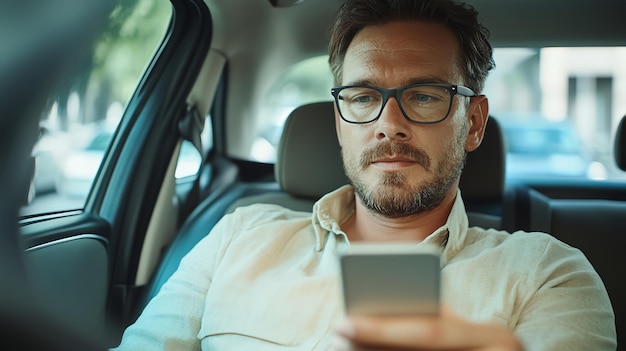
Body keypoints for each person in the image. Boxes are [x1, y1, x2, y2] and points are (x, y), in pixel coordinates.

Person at [111, 0, 617, 350]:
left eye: (423, 95)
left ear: (474, 123)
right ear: (339, 121)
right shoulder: (237, 236)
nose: (388, 125)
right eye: (362, 98)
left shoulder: (548, 274)